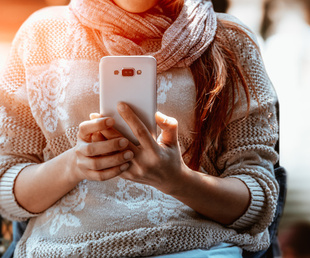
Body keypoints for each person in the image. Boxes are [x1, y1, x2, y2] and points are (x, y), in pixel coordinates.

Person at [0, 0, 279, 256]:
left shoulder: (232, 39)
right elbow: (7, 191)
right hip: (64, 249)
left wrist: (178, 180)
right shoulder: (41, 34)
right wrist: (74, 164)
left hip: (195, 249)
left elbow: (260, 205)